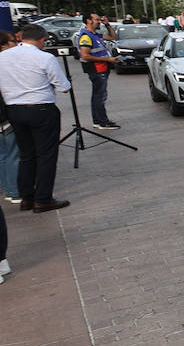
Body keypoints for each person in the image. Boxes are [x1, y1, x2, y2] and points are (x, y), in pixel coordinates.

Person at [0, 24, 72, 212]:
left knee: (26, 155)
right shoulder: (45, 57)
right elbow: (64, 86)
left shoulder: (3, 57)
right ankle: (43, 199)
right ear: (42, 40)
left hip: (14, 110)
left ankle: (27, 197)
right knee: (46, 155)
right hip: (41, 109)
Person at [77, 11, 121, 130]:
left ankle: (98, 120)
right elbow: (85, 55)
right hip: (97, 70)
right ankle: (102, 122)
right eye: (97, 20)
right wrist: (107, 59)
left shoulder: (95, 35)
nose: (99, 22)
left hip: (102, 69)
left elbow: (113, 37)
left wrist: (107, 24)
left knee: (98, 95)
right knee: (100, 96)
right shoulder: (86, 37)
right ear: (88, 21)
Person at [0, 31, 21, 203]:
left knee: (3, 155)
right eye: (13, 41)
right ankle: (15, 192)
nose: (16, 44)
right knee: (13, 154)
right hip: (6, 117)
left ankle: (7, 189)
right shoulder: (6, 63)